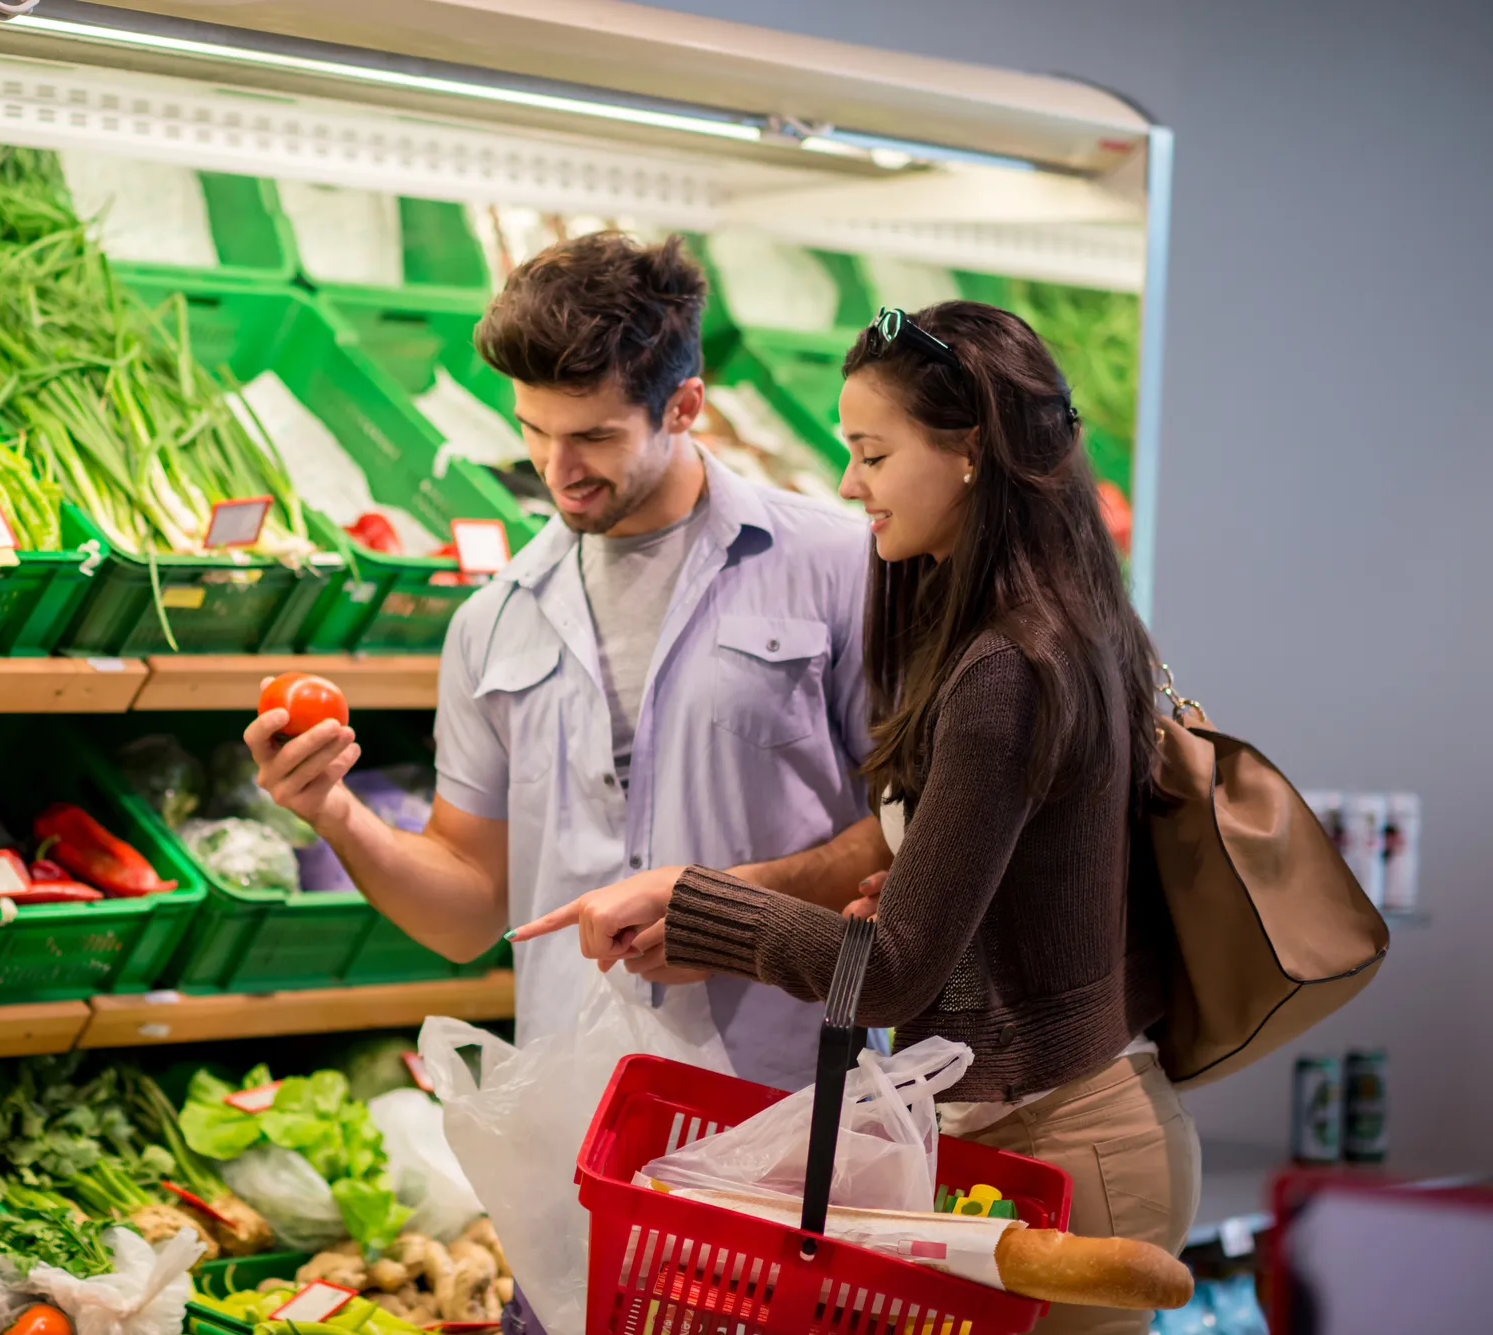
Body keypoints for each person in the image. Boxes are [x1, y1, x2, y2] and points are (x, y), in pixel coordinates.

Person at [517, 302, 1200, 1335]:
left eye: (872, 454)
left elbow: (891, 974)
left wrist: (697, 906)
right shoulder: (1057, 618)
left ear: (969, 452)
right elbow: (1026, 876)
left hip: (1066, 1150)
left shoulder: (1005, 666)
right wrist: (920, 884)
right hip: (1036, 1130)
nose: (847, 484)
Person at [242, 231, 888, 1097]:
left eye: (593, 436)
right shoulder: (494, 622)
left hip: (791, 1099)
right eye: (533, 431)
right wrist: (333, 812)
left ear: (684, 405)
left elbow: (909, 829)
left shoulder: (838, 566)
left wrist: (726, 915)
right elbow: (469, 909)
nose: (557, 470)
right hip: (577, 1109)